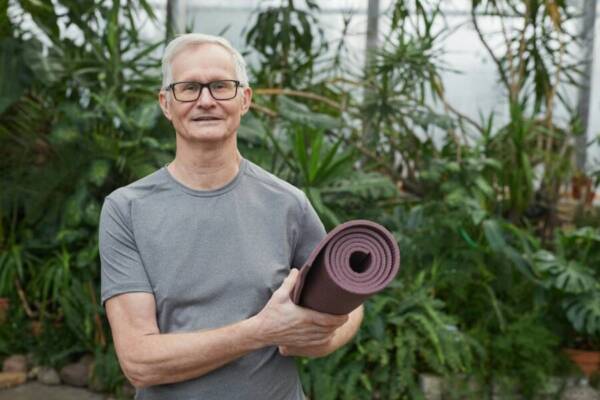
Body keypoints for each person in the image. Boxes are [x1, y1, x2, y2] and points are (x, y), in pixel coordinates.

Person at [99, 33, 364, 400]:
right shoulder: (126, 209)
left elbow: (350, 303)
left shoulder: (288, 203)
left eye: (221, 86)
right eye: (189, 87)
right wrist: (263, 330)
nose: (205, 100)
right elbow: (140, 361)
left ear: (245, 99)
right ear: (165, 103)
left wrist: (322, 336)